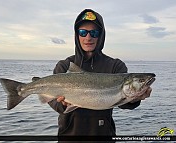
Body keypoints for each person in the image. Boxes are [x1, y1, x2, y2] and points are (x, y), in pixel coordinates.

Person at [48, 9, 152, 141]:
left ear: (101, 35)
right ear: (77, 35)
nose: (88, 37)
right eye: (83, 32)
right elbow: (53, 101)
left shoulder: (115, 66)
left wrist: (136, 98)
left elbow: (123, 103)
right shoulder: (65, 65)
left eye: (94, 33)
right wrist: (63, 104)